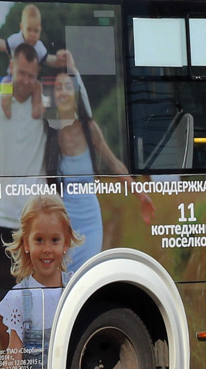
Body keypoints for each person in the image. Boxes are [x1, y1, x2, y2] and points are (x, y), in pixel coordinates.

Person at [47, 70, 155, 273]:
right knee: (63, 280)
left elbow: (114, 164)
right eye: (58, 87)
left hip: (90, 220)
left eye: (68, 87)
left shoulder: (89, 128)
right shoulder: (49, 134)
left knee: (87, 276)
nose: (63, 92)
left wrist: (139, 193)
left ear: (76, 94)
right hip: (61, 224)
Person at [0, 42, 51, 297]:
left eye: (32, 76)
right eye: (21, 73)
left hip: (39, 225)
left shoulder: (44, 103)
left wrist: (41, 87)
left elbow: (73, 102)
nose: (26, 80)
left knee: (41, 300)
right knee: (8, 301)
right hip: (6, 221)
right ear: (11, 68)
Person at [0, 195, 83, 369]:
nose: (47, 249)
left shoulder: (75, 289)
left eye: (54, 240)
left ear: (66, 243)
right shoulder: (19, 297)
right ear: (26, 244)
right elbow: (14, 354)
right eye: (39, 240)